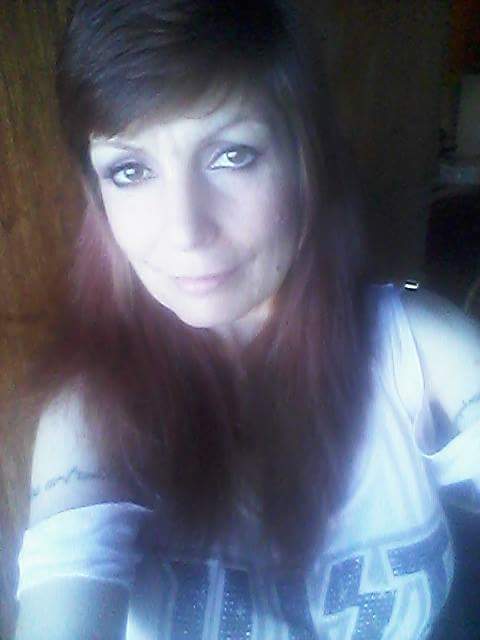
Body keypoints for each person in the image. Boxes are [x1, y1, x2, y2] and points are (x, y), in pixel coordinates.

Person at [12, 1, 480, 639]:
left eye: (231, 155)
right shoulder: (91, 420)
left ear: (307, 160)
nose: (185, 230)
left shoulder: (423, 355)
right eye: (131, 170)